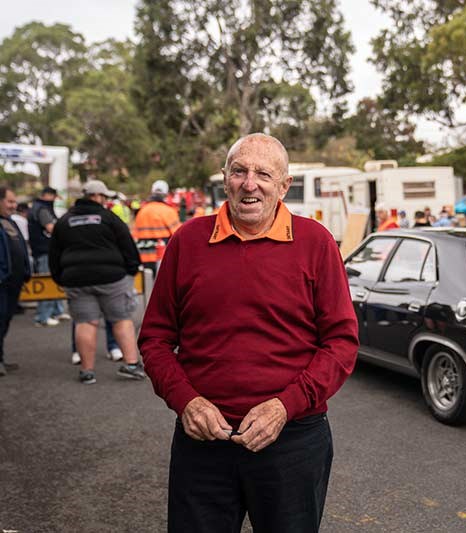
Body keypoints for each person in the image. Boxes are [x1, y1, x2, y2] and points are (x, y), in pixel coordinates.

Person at [138, 134, 359, 532]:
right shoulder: (188, 241)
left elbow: (341, 343)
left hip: (292, 440)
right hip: (202, 441)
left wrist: (285, 406)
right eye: (239, 171)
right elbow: (154, 340)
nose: (250, 183)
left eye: (263, 174)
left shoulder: (316, 243)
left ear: (284, 185)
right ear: (225, 179)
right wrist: (185, 401)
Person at [49, 180, 145, 385]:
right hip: (112, 278)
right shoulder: (108, 217)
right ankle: (132, 365)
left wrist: (61, 277)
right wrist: (131, 269)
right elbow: (127, 245)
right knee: (120, 319)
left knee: (85, 322)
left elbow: (54, 254)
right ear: (98, 197)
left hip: (77, 280)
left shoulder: (65, 220)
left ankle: (87, 371)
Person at [0, 187, 31, 375]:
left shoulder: (9, 222)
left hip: (14, 283)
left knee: (5, 320)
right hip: (3, 283)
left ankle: (1, 357)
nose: (14, 206)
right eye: (9, 202)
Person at [28, 186, 68, 326]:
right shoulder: (42, 209)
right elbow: (51, 228)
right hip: (45, 251)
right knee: (47, 282)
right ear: (48, 196)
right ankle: (43, 317)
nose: (55, 200)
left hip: (46, 250)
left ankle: (57, 311)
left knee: (54, 280)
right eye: (54, 197)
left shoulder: (40, 207)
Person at [132, 180, 181, 274]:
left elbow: (135, 236)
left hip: (143, 259)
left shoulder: (142, 211)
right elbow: (178, 235)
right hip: (161, 259)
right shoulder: (168, 211)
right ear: (166, 194)